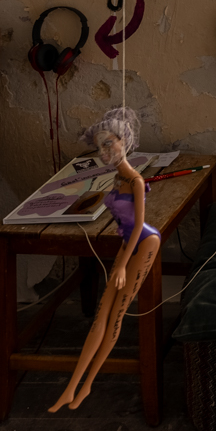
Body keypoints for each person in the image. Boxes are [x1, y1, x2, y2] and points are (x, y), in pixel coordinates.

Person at [48, 108, 162, 412]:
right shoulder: (116, 178)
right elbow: (124, 220)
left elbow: (139, 225)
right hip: (127, 244)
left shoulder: (136, 181)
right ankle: (71, 388)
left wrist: (123, 265)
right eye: (100, 146)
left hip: (143, 244)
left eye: (109, 143)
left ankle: (86, 387)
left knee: (116, 315)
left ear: (124, 141)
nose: (104, 151)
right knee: (101, 315)